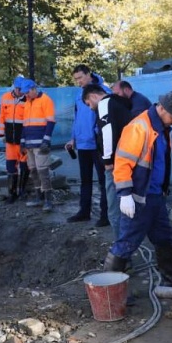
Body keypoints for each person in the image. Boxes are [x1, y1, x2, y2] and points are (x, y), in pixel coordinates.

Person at [107, 91, 172, 295]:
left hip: (156, 197)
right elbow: (122, 163)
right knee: (126, 243)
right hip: (138, 199)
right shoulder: (138, 128)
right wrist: (124, 195)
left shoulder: (162, 128)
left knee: (164, 238)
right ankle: (110, 293)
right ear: (161, 109)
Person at [81, 83, 131, 242]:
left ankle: (121, 252)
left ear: (94, 96)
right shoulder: (119, 103)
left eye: (88, 103)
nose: (90, 108)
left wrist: (108, 160)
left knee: (114, 210)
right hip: (128, 160)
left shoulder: (104, 104)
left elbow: (108, 132)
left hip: (116, 163)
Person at [65, 64, 111, 226]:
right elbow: (77, 118)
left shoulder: (103, 92)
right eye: (76, 79)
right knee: (85, 180)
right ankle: (84, 212)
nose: (78, 82)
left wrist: (98, 136)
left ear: (88, 75)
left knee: (104, 181)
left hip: (97, 145)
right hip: (82, 144)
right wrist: (73, 139)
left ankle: (106, 215)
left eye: (80, 78)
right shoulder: (79, 94)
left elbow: (108, 119)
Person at [20, 79, 56, 212]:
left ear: (34, 89)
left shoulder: (46, 100)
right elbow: (25, 124)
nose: (26, 95)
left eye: (27, 92)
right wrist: (22, 142)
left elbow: (50, 122)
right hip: (29, 145)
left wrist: (46, 140)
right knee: (33, 171)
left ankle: (48, 200)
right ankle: (39, 197)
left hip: (41, 144)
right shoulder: (28, 102)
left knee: (43, 171)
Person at [0, 76, 30, 204]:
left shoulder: (28, 100)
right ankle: (12, 193)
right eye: (18, 88)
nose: (20, 91)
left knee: (24, 166)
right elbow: (1, 117)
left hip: (23, 140)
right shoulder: (5, 97)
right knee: (11, 167)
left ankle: (21, 191)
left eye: (22, 89)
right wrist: (1, 134)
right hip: (10, 140)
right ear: (14, 87)